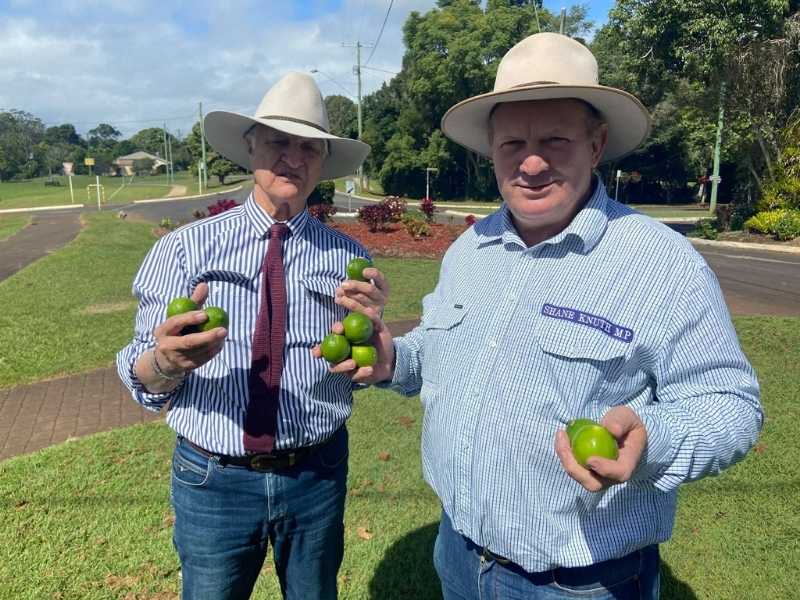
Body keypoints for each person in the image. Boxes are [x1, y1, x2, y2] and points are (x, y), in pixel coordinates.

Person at [321, 33, 763, 598]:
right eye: (512, 144)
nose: (530, 163)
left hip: (580, 584)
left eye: (555, 140)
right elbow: (440, 349)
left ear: (596, 144)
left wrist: (654, 443)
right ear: (491, 151)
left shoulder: (661, 263)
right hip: (459, 556)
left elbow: (731, 406)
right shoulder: (470, 249)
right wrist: (394, 362)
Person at [117, 72, 388, 600]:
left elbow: (357, 373)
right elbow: (140, 370)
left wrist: (373, 348)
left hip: (317, 474)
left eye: (308, 147)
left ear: (323, 161)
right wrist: (167, 363)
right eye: (277, 141)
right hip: (213, 479)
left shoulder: (349, 260)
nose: (293, 156)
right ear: (250, 148)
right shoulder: (185, 250)